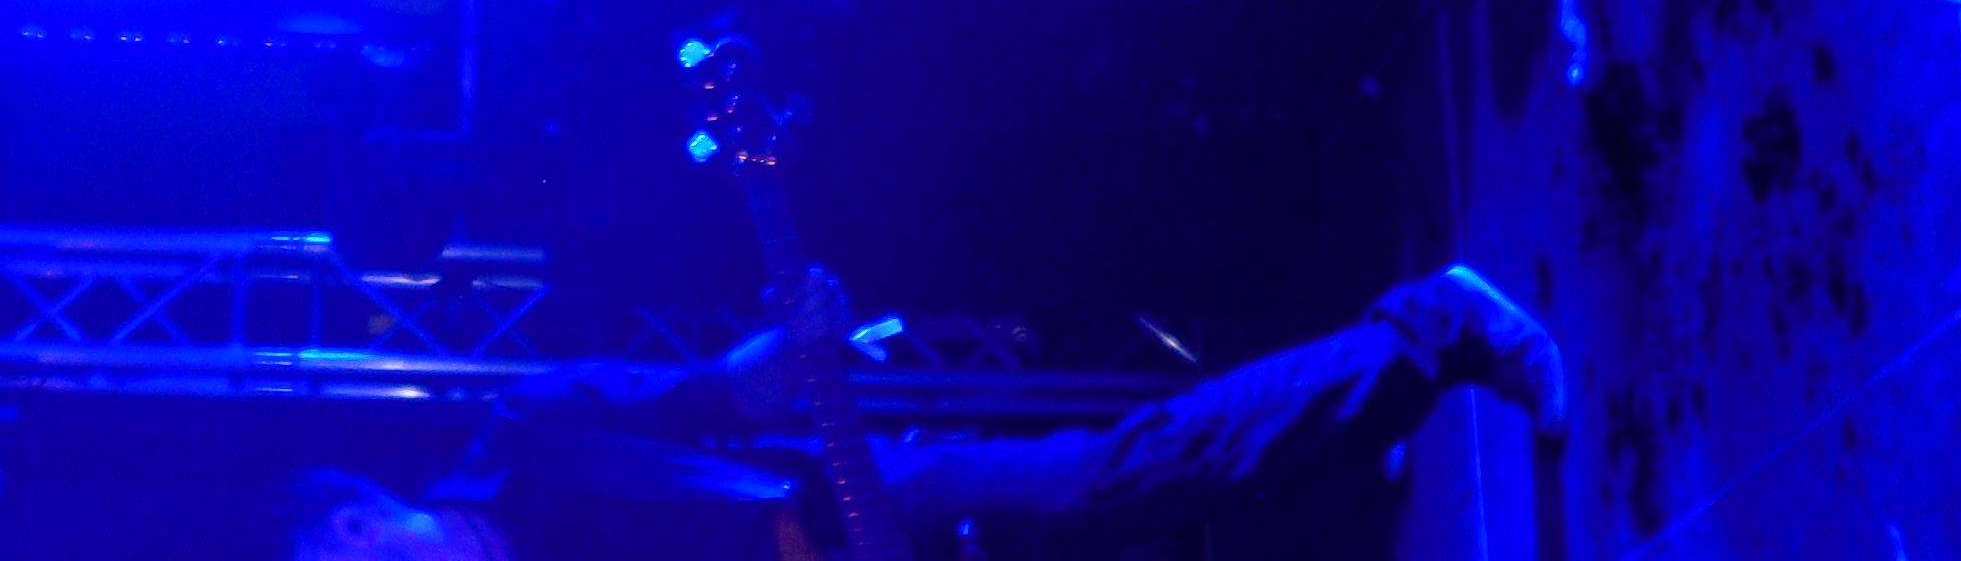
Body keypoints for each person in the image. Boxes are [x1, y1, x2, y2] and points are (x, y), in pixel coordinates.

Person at [283, 262, 1567, 561]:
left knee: (1116, 477)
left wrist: (796, 339)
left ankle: (1437, 327)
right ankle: (1352, 444)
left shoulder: (526, 438)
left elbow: (717, 395)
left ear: (354, 523)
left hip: (852, 504)